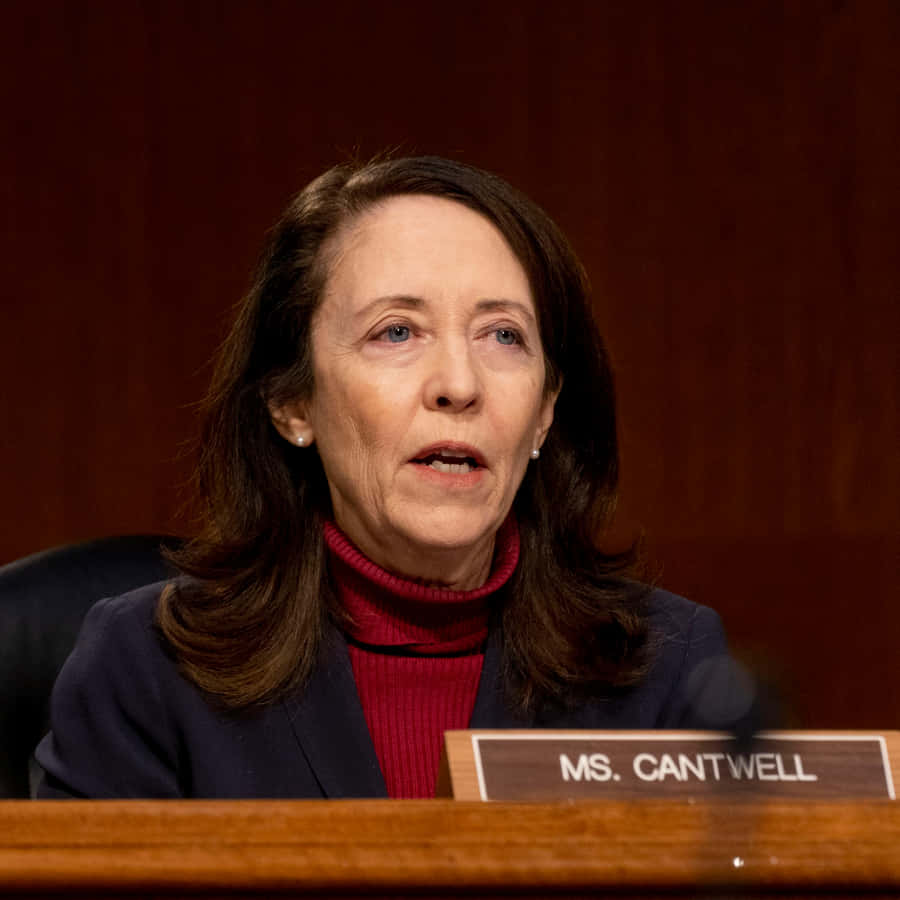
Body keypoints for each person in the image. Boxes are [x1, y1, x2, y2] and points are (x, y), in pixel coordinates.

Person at [36, 156, 749, 799]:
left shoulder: (667, 665)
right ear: (292, 402)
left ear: (543, 412)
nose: (459, 384)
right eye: (396, 332)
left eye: (503, 335)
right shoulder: (145, 669)